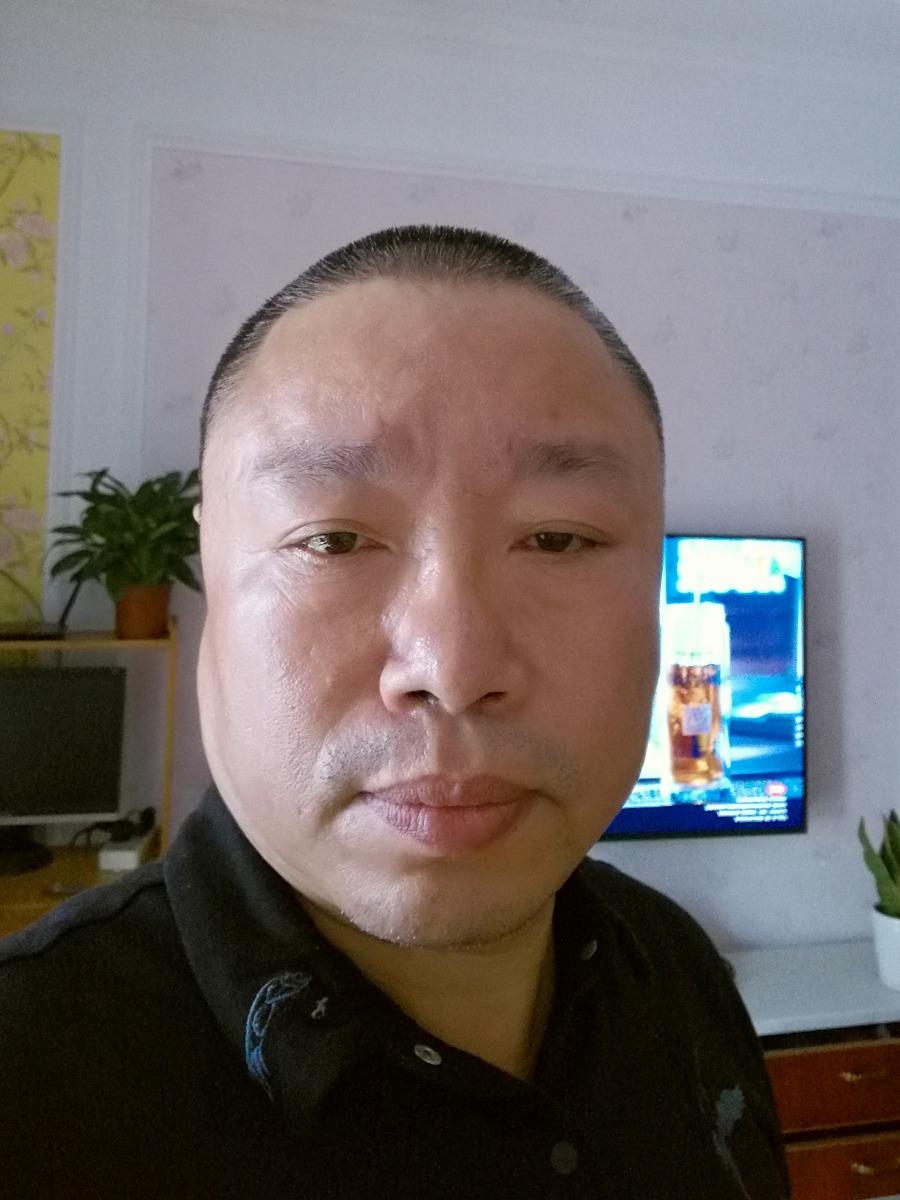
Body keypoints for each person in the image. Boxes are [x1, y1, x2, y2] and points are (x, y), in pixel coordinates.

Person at [0, 226, 789, 1199]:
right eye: (333, 540)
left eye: (557, 539)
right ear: (209, 564)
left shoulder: (678, 974)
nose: (453, 669)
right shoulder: (30, 1083)